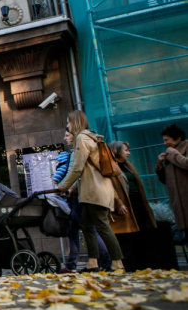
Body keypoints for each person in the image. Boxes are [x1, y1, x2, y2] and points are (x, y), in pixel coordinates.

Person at [56, 110, 126, 272]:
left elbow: (77, 168)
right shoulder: (92, 138)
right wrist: (72, 187)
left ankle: (117, 262)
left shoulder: (81, 138)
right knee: (86, 225)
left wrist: (64, 186)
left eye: (69, 122)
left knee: (102, 226)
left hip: (94, 191)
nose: (67, 125)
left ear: (75, 122)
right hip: (92, 191)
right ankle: (93, 263)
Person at [52, 130, 109, 272]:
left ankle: (103, 262)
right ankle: (96, 263)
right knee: (83, 230)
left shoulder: (80, 151)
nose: (65, 138)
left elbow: (77, 172)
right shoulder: (86, 150)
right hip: (81, 195)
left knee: (88, 229)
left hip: (80, 196)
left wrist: (66, 187)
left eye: (67, 134)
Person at [111, 141, 157, 270]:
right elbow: (111, 187)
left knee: (141, 232)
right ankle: (132, 266)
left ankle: (144, 265)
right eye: (125, 150)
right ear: (117, 151)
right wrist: (118, 202)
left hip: (137, 203)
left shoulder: (128, 166)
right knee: (128, 236)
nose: (128, 153)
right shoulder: (112, 167)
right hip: (125, 205)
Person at [155, 124, 188, 239]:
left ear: (178, 138)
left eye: (166, 140)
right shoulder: (170, 154)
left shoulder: (185, 147)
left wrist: (174, 154)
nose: (165, 143)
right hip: (180, 205)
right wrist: (159, 164)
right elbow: (166, 180)